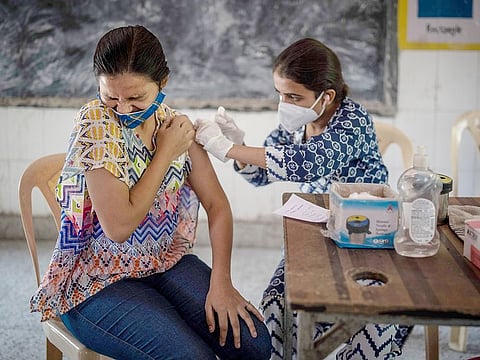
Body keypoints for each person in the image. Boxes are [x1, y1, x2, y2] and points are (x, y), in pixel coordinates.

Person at [29, 25, 271, 360]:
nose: (123, 109)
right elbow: (120, 227)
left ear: (162, 84)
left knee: (254, 344)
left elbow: (217, 205)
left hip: (163, 261)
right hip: (96, 280)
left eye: (135, 98)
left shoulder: (174, 126)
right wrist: (165, 153)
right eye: (111, 96)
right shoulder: (96, 125)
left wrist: (222, 283)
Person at [195, 38, 412, 359]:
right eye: (281, 94)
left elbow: (307, 163)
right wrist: (239, 149)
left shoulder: (353, 122)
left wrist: (227, 150)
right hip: (315, 238)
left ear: (327, 97)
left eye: (294, 96)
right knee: (275, 305)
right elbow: (261, 175)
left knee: (375, 321)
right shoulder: (295, 123)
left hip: (366, 242)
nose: (285, 103)